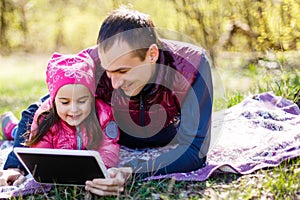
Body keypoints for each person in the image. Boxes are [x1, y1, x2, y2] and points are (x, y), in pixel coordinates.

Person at [1, 7, 213, 196]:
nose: (115, 83)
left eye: (123, 71)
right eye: (109, 71)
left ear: (152, 54)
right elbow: (40, 112)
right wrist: (13, 166)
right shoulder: (90, 64)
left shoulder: (192, 65)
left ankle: (11, 127)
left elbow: (195, 150)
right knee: (50, 127)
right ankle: (11, 127)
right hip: (109, 130)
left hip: (164, 132)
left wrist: (132, 170)